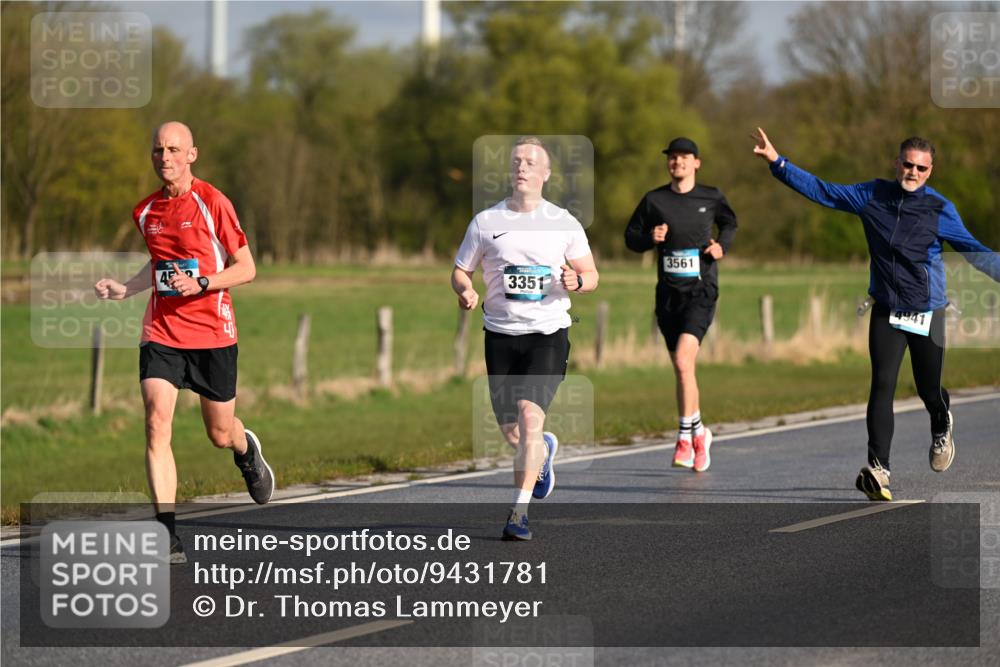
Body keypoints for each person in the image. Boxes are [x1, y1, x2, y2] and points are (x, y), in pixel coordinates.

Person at [752, 127, 1000, 501]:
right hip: (886, 308)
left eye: (920, 167)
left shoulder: (940, 209)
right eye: (907, 164)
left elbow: (975, 250)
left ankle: (941, 420)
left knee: (928, 389)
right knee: (882, 384)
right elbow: (824, 191)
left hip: (928, 312)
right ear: (896, 163)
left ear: (930, 171)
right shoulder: (872, 195)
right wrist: (778, 162)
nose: (912, 172)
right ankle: (879, 469)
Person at [94, 121, 274, 562]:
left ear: (192, 154)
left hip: (213, 333)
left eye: (174, 150)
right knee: (157, 421)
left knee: (218, 433)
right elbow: (156, 268)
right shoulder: (145, 212)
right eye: (158, 150)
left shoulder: (213, 202)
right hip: (162, 332)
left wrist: (205, 283)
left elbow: (247, 268)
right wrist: (126, 288)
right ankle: (166, 534)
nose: (165, 158)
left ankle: (246, 449)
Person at [452, 136, 599, 540]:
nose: (522, 167)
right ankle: (544, 454)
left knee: (531, 420)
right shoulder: (486, 222)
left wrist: (578, 280)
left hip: (547, 333)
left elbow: (592, 274)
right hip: (500, 334)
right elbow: (461, 269)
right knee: (513, 431)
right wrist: (464, 289)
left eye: (531, 162)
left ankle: (519, 513)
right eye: (517, 161)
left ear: (546, 174)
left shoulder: (564, 223)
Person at [624, 138, 738, 473]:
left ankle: (685, 437)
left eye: (684, 158)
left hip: (700, 291)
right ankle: (701, 432)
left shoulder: (711, 196)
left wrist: (722, 246)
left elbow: (730, 222)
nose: (678, 163)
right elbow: (631, 237)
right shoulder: (654, 200)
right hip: (668, 295)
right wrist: (650, 239)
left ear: (696, 163)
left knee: (684, 359)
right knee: (682, 368)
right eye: (673, 158)